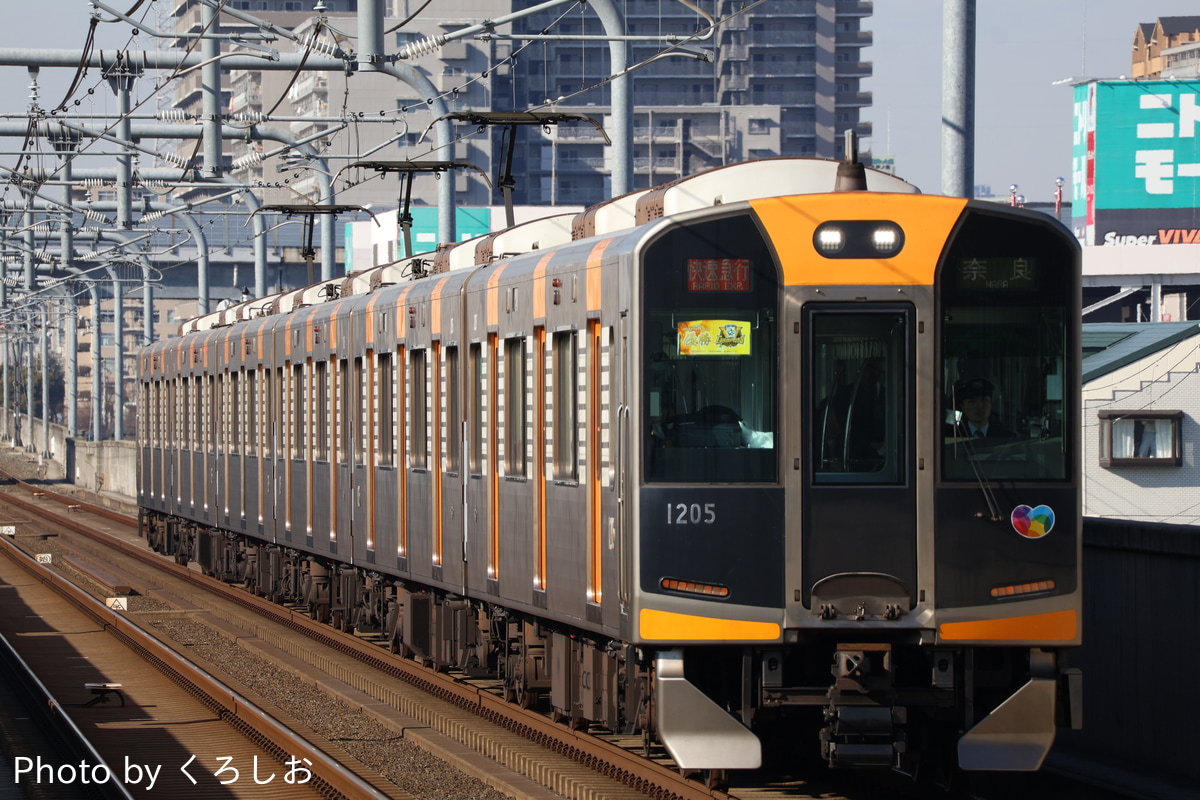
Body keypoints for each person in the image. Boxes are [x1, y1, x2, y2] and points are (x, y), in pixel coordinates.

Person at [947, 377, 1012, 440]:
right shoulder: (952, 436)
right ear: (962, 407)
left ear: (991, 404)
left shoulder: (1005, 437)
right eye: (972, 402)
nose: (979, 406)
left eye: (984, 400)